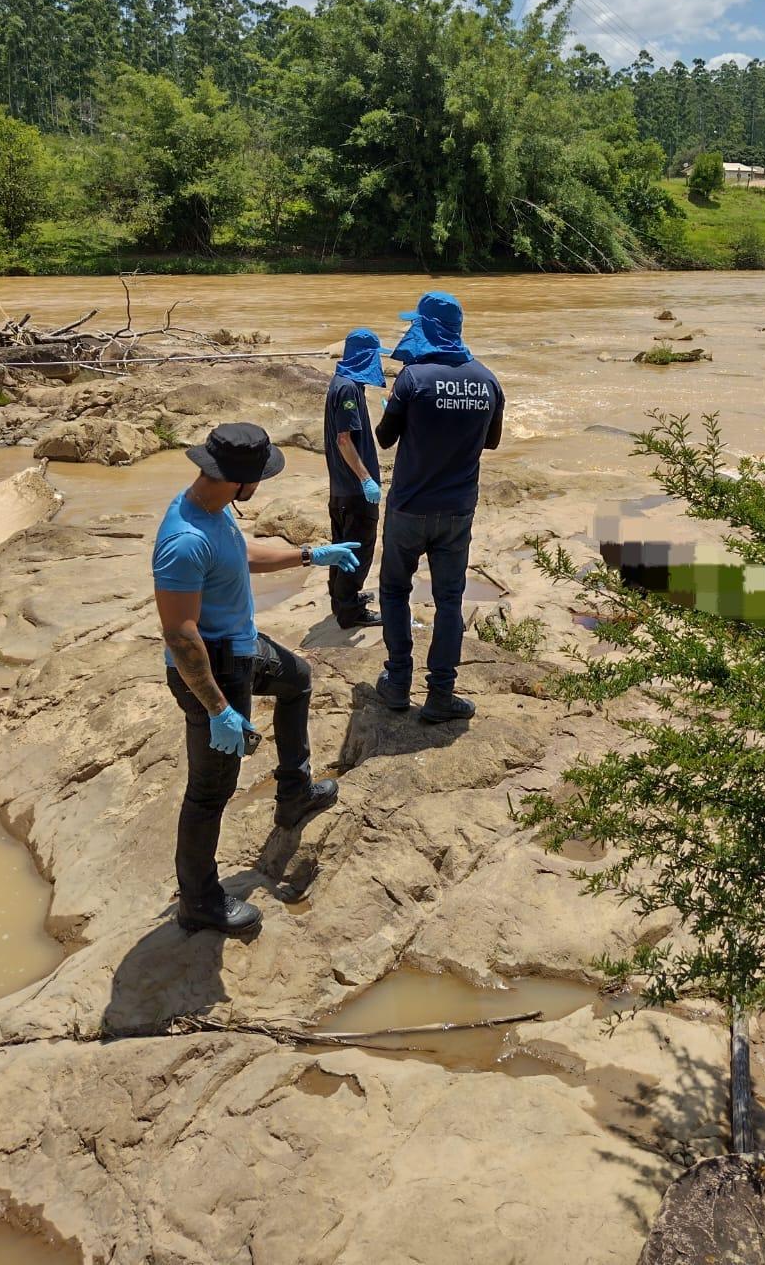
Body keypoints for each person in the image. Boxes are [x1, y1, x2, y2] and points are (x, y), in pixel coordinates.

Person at [153, 422, 363, 937]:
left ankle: (294, 792)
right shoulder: (184, 540)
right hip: (214, 667)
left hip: (241, 650)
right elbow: (180, 635)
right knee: (209, 791)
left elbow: (242, 557)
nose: (261, 487)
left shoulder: (213, 509)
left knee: (297, 679)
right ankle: (199, 901)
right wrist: (218, 709)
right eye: (259, 479)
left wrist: (311, 554)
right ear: (240, 481)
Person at [374, 291, 504, 722]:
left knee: (395, 591)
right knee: (450, 601)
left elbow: (385, 437)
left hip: (409, 507)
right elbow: (491, 442)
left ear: (425, 327)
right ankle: (441, 694)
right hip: (457, 511)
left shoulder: (412, 378)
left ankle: (396, 683)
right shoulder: (488, 380)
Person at [323, 327, 394, 629]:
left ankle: (341, 600)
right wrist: (366, 479)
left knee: (342, 546)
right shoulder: (349, 389)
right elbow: (343, 440)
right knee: (358, 549)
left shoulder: (343, 383)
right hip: (354, 489)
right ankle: (350, 612)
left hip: (341, 488)